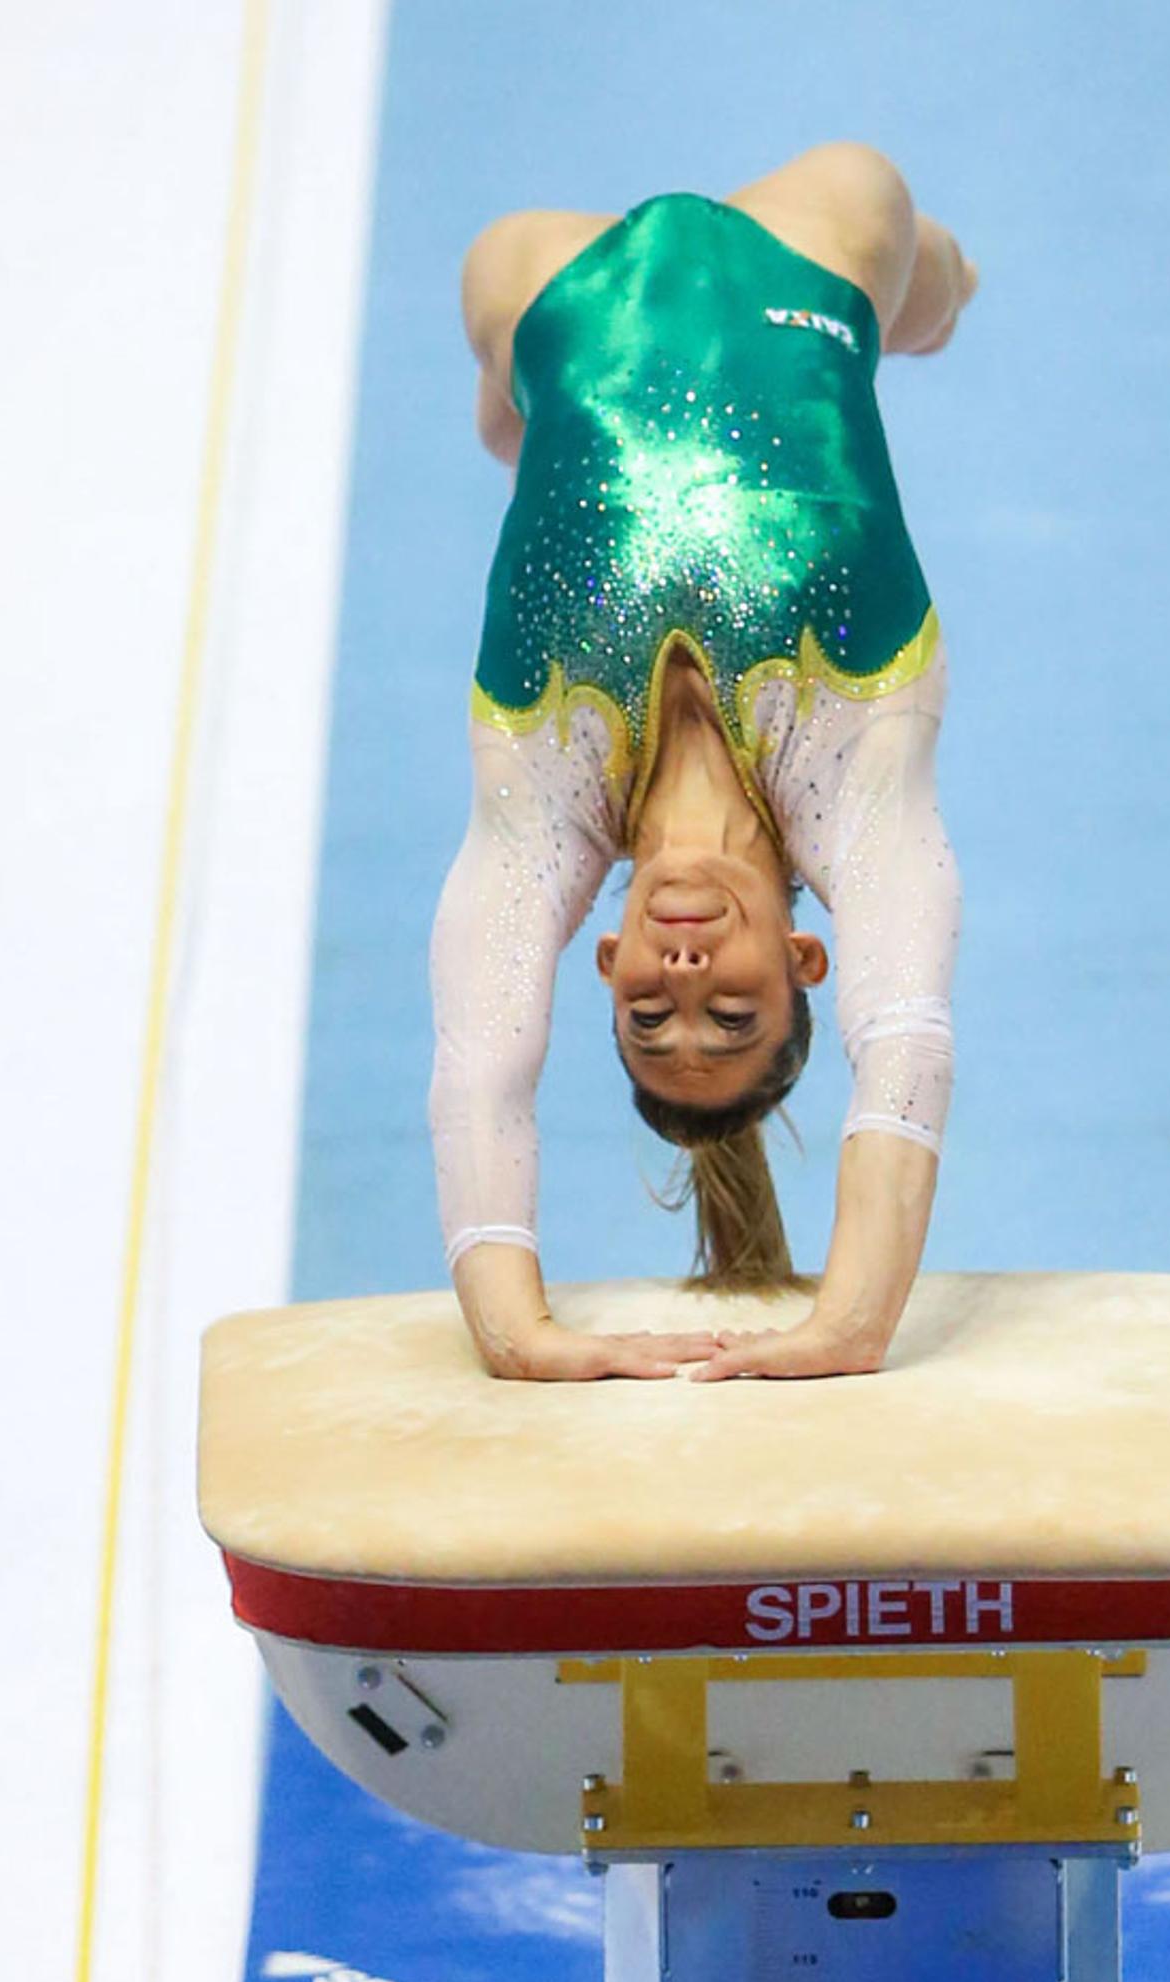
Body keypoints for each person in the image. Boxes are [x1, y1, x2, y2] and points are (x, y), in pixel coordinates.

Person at [429, 142, 979, 1382]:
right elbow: (906, 1043)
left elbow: (482, 1072)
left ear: (606, 959)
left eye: (645, 1009)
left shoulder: (539, 810)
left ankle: (510, 413)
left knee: (500, 342)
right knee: (934, 285)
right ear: (801, 960)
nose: (682, 973)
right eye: (729, 1008)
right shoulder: (864, 795)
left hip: (558, 284)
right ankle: (941, 283)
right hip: (813, 245)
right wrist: (851, 1318)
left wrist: (518, 1332)